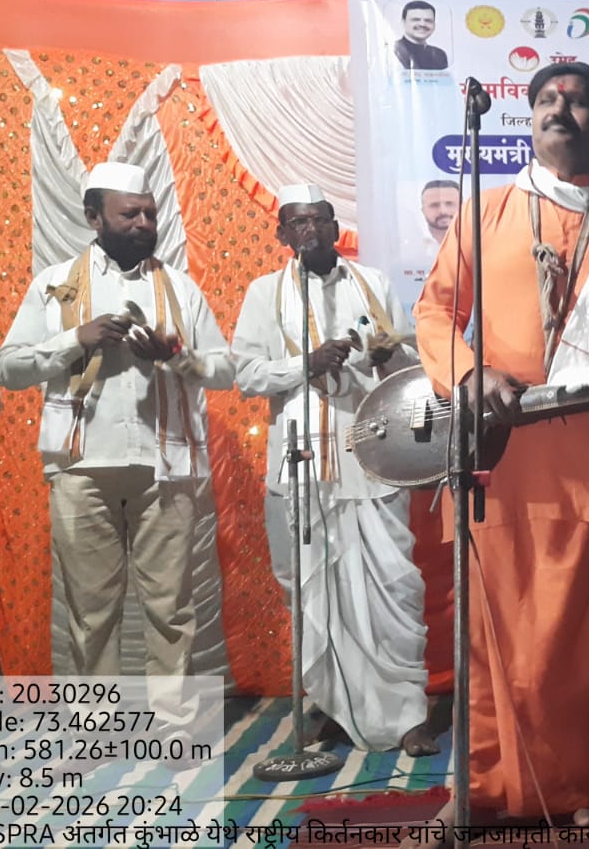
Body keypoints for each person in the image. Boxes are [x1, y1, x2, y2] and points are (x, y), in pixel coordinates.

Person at [411, 62, 589, 830]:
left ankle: (585, 782)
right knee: (495, 622)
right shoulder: (487, 209)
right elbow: (434, 314)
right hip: (501, 447)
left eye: (579, 101)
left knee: (586, 624)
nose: (560, 109)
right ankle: (487, 786)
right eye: (547, 99)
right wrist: (472, 374)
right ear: (528, 118)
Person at [0, 161, 234, 676]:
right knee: (90, 613)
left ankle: (172, 719)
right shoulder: (54, 283)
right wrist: (74, 339)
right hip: (81, 467)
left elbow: (224, 370)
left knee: (171, 609)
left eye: (149, 214)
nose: (144, 224)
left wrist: (175, 356)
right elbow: (10, 369)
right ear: (94, 218)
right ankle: (97, 718)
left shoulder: (180, 288)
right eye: (129, 215)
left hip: (164, 466)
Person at [232, 184, 433, 755]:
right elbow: (245, 374)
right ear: (281, 233)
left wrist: (388, 354)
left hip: (372, 457)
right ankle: (336, 705)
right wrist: (306, 362)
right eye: (297, 223)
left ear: (335, 226)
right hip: (303, 463)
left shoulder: (373, 283)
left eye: (319, 220)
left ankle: (407, 713)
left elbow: (413, 362)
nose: (310, 230)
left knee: (390, 583)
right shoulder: (265, 293)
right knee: (312, 588)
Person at [394, 1, 449, 71]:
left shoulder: (439, 55)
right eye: (416, 20)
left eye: (428, 20)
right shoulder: (392, 51)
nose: (422, 24)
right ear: (403, 22)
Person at [420, 179, 460, 257]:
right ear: (423, 211)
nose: (443, 211)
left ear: (463, 207)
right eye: (434, 205)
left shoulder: (479, 242)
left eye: (449, 204)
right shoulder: (412, 247)